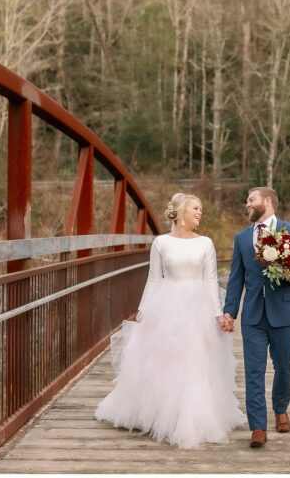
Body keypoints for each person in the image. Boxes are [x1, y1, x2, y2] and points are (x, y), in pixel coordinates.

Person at [94, 192, 245, 449]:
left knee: (195, 361)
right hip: (166, 305)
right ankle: (162, 414)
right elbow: (154, 278)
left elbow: (210, 280)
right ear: (182, 211)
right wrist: (142, 312)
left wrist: (218, 313)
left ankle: (194, 416)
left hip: (198, 307)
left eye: (201, 209)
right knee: (166, 360)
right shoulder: (161, 243)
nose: (199, 213)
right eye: (195, 208)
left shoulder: (205, 243)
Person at [221, 186, 290, 449]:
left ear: (267, 201)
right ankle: (257, 427)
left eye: (251, 200)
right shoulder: (241, 237)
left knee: (284, 365)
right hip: (253, 315)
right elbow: (236, 279)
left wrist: (289, 269)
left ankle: (280, 409)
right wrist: (230, 311)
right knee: (254, 371)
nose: (247, 204)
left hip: (285, 311)